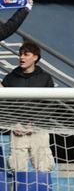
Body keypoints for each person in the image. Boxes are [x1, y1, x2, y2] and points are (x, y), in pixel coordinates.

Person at [3, 40, 55, 174]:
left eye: (26, 54)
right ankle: (19, 189)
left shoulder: (45, 78)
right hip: (17, 129)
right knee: (17, 167)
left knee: (43, 167)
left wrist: (35, 123)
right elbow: (3, 105)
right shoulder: (10, 78)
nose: (22, 57)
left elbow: (51, 105)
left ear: (35, 57)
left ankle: (43, 189)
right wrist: (14, 123)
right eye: (20, 54)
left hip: (38, 129)